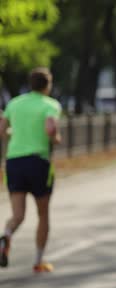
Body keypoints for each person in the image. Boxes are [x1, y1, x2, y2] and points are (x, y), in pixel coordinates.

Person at [0, 67, 62, 273]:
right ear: (48, 85)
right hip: (38, 162)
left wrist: (15, 133)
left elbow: (2, 130)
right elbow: (50, 129)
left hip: (14, 162)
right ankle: (38, 261)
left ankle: (6, 235)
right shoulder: (50, 104)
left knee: (18, 215)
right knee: (42, 213)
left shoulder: (14, 103)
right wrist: (55, 138)